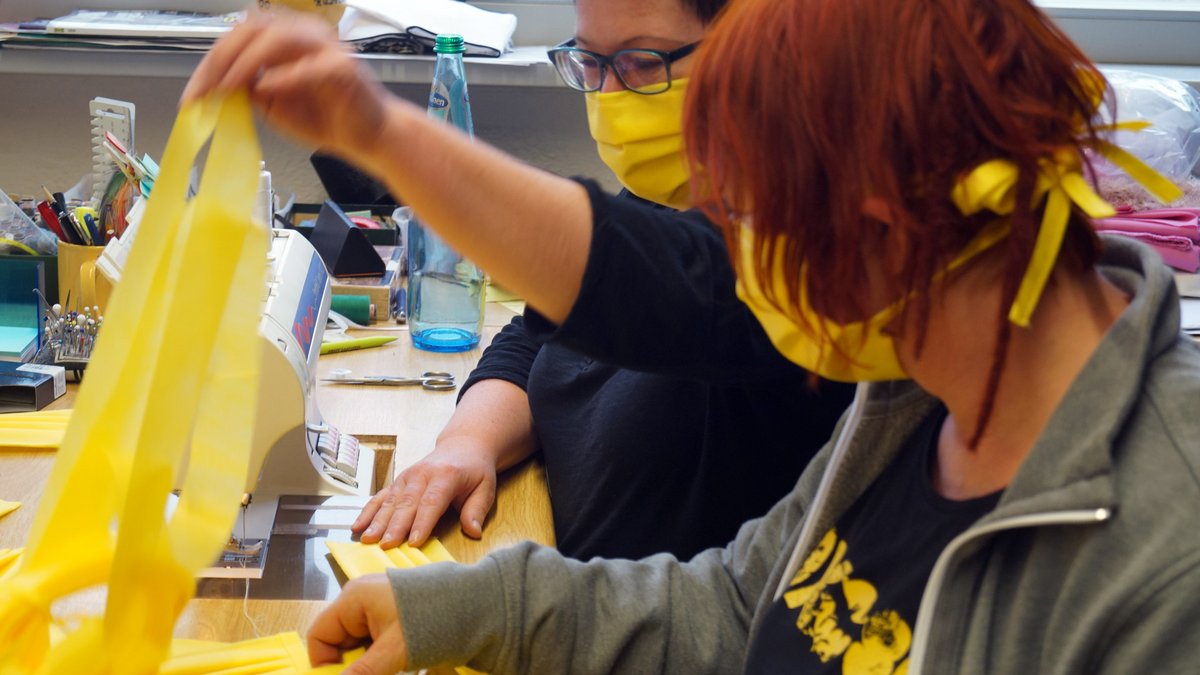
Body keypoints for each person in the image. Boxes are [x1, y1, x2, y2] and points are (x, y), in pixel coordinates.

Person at [184, 0, 1200, 672]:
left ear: (880, 223)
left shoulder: (1164, 563)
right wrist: (472, 609)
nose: (735, 264)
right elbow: (738, 603)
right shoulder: (917, 394)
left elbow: (644, 276)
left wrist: (378, 130)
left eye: (749, 226)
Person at [348, 0, 853, 561]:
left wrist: (384, 134)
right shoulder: (670, 192)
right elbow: (538, 332)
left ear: (761, 53)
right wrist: (470, 442)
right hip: (558, 567)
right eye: (590, 61)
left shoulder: (811, 263)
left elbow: (626, 279)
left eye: (641, 62)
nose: (608, 95)